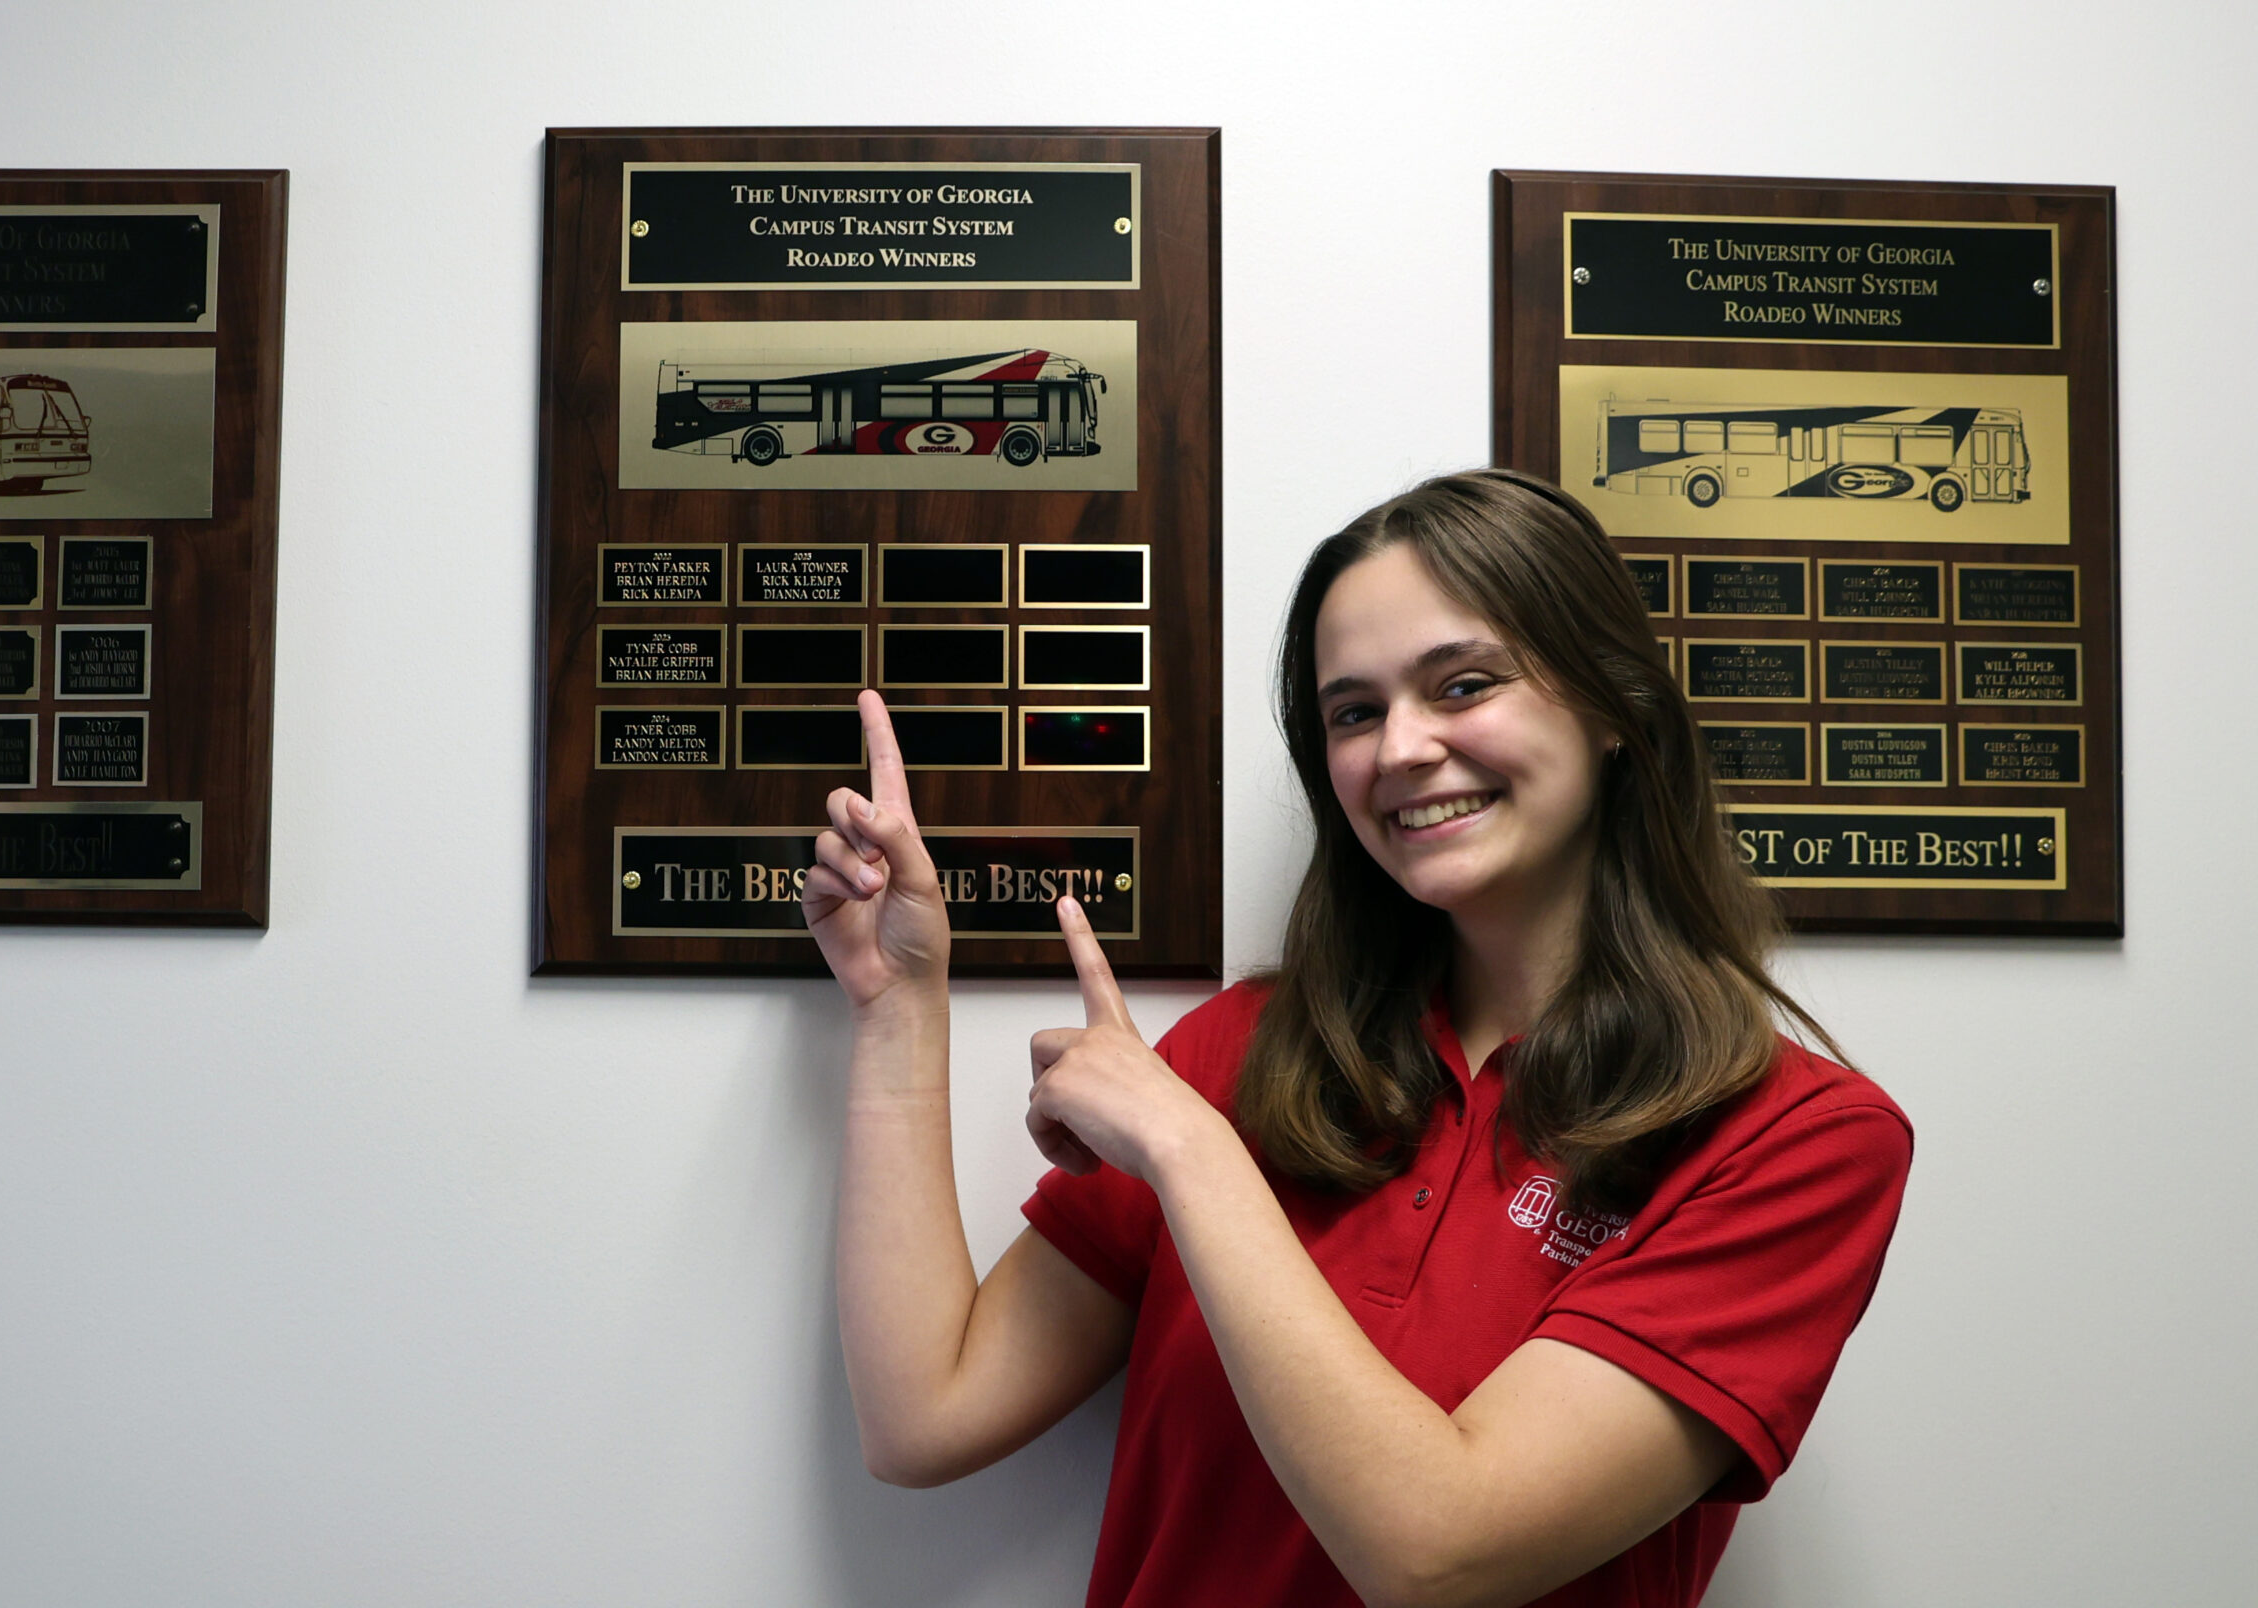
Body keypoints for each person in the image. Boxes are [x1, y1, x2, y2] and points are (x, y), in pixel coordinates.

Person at [803, 469, 1911, 1608]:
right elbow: (921, 1416)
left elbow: (1438, 1550)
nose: (1399, 750)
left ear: (1612, 707)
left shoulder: (1799, 1144)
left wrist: (1189, 1154)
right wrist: (897, 1009)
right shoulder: (1242, 1054)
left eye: (1463, 684)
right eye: (1354, 712)